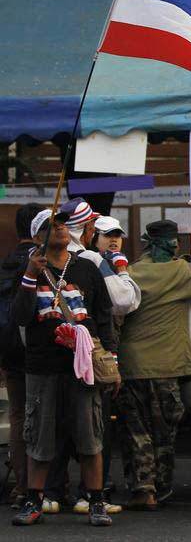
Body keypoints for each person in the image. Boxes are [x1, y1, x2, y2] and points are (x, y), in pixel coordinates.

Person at [11, 209, 117, 526]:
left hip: (81, 368)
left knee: (89, 434)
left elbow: (103, 315)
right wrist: (30, 274)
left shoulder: (85, 267)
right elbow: (19, 316)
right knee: (39, 435)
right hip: (43, 366)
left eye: (60, 224)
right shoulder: (28, 269)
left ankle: (96, 500)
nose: (57, 229)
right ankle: (34, 500)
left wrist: (112, 358)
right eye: (49, 226)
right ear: (37, 235)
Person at [43, 203, 138, 515]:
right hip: (83, 360)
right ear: (86, 228)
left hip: (48, 358)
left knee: (54, 424)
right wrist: (122, 269)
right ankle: (89, 494)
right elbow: (121, 302)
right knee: (92, 428)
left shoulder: (43, 260)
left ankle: (50, 493)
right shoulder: (92, 260)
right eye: (97, 228)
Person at [116, 220, 191, 510]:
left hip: (132, 365)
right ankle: (162, 486)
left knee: (136, 431)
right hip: (168, 367)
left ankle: (142, 489)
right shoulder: (183, 272)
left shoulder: (131, 273)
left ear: (147, 242)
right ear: (173, 244)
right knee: (164, 434)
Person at [0, 203, 45, 508]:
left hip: (8, 348)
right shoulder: (39, 262)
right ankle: (43, 487)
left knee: (17, 416)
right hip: (36, 349)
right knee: (43, 415)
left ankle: (20, 486)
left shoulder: (5, 263)